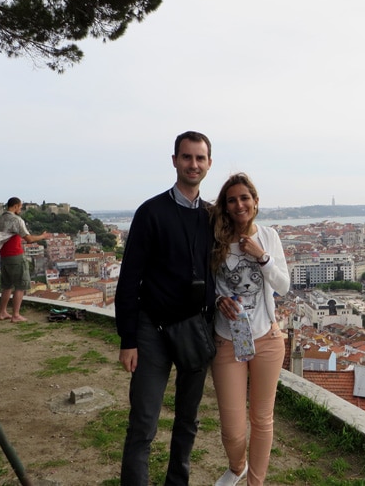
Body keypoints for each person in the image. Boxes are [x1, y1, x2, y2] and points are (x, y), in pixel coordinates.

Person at [115, 131, 216, 486]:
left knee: (188, 421)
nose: (193, 164)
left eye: (199, 158)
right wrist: (128, 339)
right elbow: (129, 278)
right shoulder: (151, 212)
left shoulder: (211, 217)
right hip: (152, 330)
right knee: (143, 421)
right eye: (187, 157)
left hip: (195, 329)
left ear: (208, 164)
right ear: (174, 161)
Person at [210, 173, 290, 486]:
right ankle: (237, 465)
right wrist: (218, 301)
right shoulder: (216, 240)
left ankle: (255, 482)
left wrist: (262, 257)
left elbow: (283, 285)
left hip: (267, 339)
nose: (240, 204)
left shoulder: (269, 236)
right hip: (228, 341)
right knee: (232, 427)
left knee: (262, 420)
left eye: (245, 198)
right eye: (232, 199)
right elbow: (208, 287)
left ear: (255, 202)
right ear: (226, 206)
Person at [0, 197, 48, 322]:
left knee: (6, 286)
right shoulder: (17, 220)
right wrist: (43, 236)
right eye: (20, 207)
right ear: (16, 206)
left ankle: (2, 312)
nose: (21, 209)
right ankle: (16, 315)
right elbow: (29, 239)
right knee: (20, 286)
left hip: (4, 256)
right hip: (16, 256)